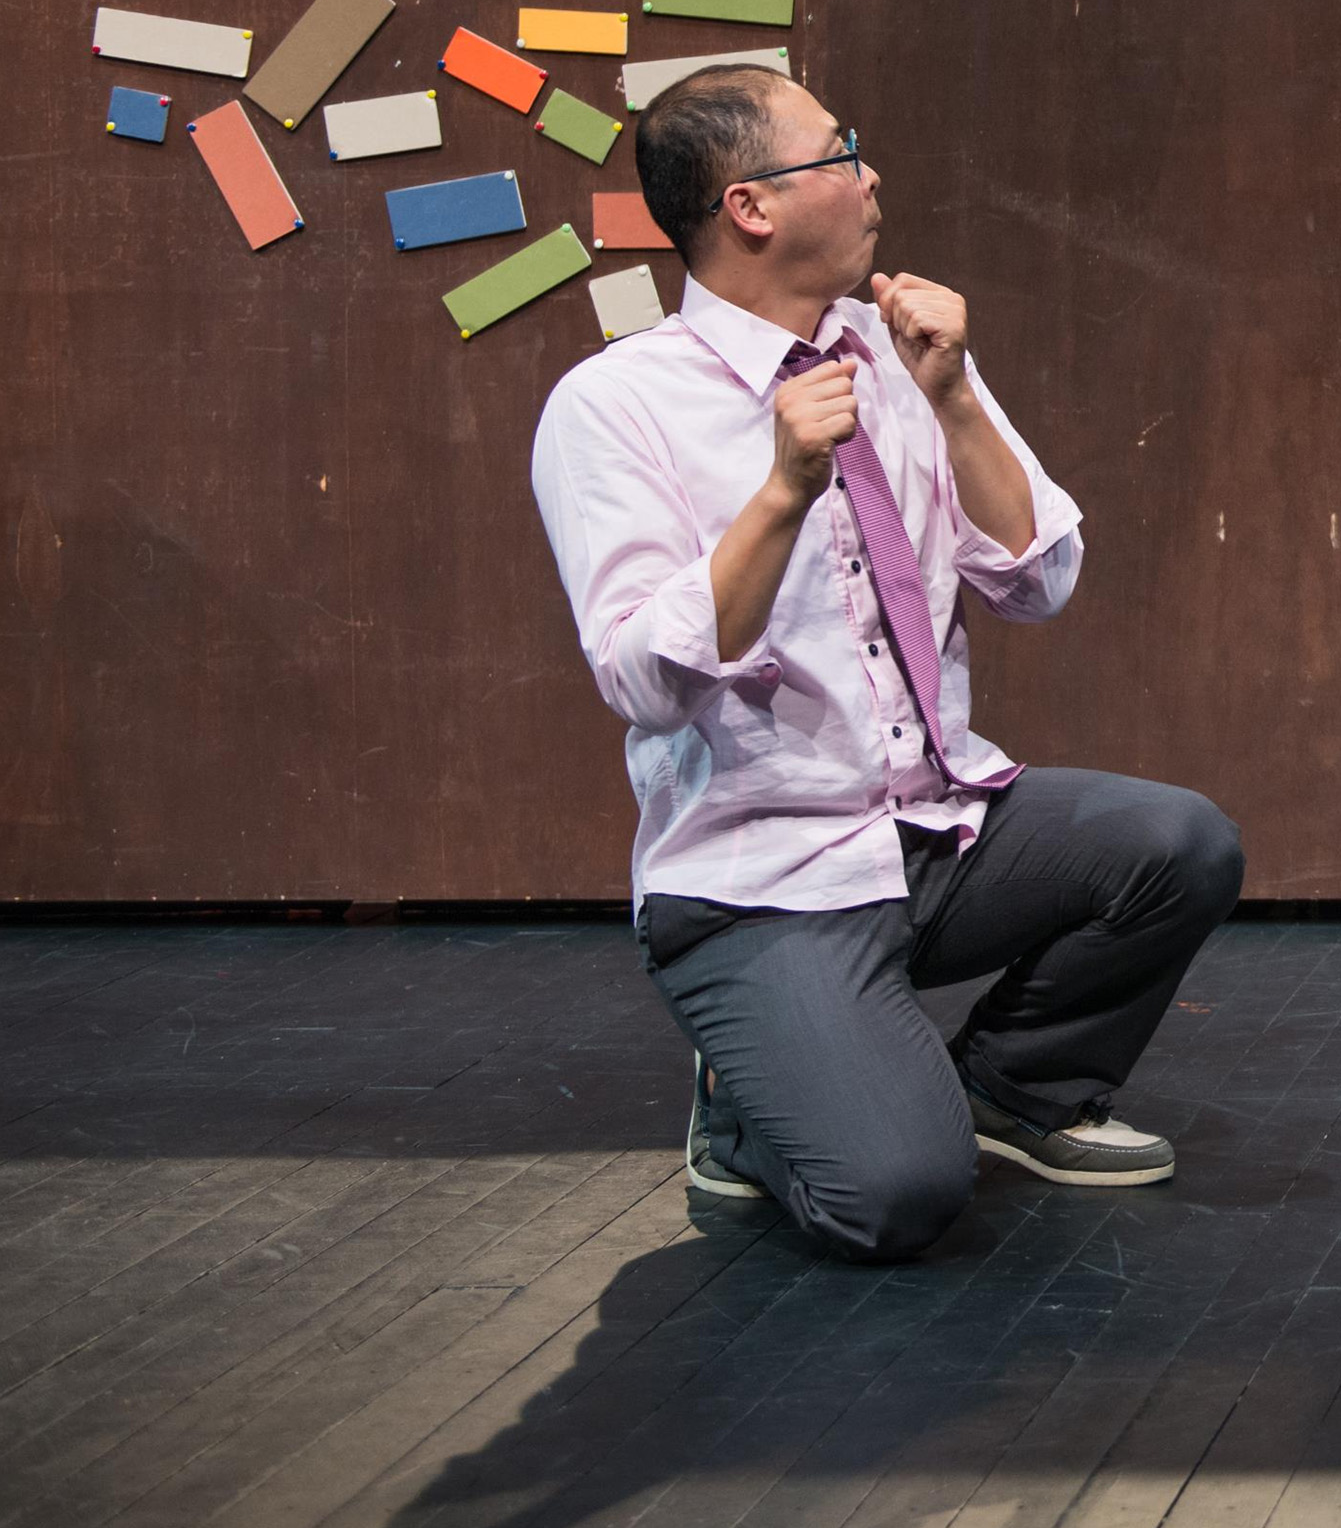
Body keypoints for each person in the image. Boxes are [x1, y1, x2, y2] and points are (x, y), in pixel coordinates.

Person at [531, 64, 1242, 1261]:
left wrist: (952, 395)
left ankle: (1017, 1086)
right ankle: (743, 1100)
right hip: (762, 870)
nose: (872, 177)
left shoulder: (896, 350)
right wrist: (781, 492)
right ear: (751, 206)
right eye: (840, 151)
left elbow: (1040, 581)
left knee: (1179, 845)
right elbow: (640, 680)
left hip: (933, 826)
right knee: (896, 1193)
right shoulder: (615, 405)